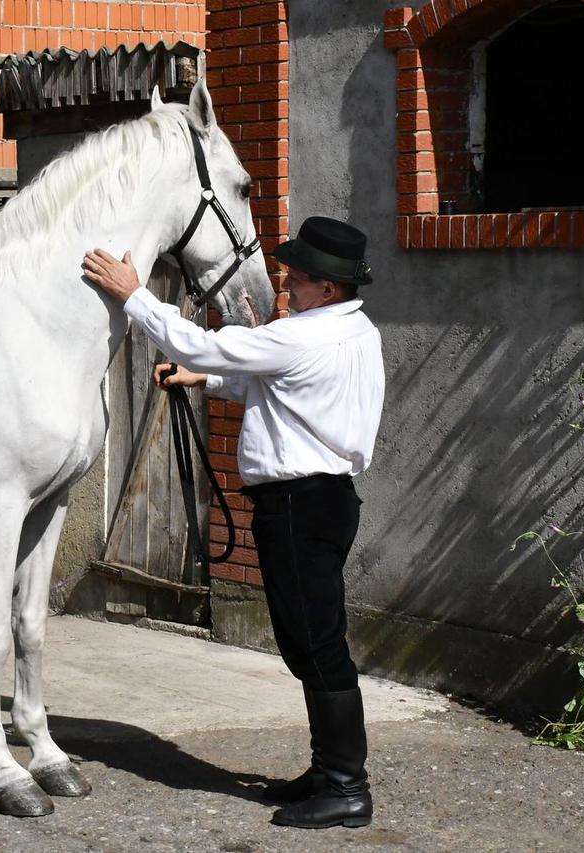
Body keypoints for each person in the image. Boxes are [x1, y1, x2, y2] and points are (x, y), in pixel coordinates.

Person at [81, 216, 384, 830]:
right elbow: (285, 390)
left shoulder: (302, 337)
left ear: (328, 289)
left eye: (297, 278)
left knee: (315, 645)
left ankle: (348, 787)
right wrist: (209, 380)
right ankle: (330, 771)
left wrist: (133, 294)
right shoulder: (355, 332)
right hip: (322, 500)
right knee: (310, 640)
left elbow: (203, 344)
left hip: (299, 505)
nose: (286, 285)